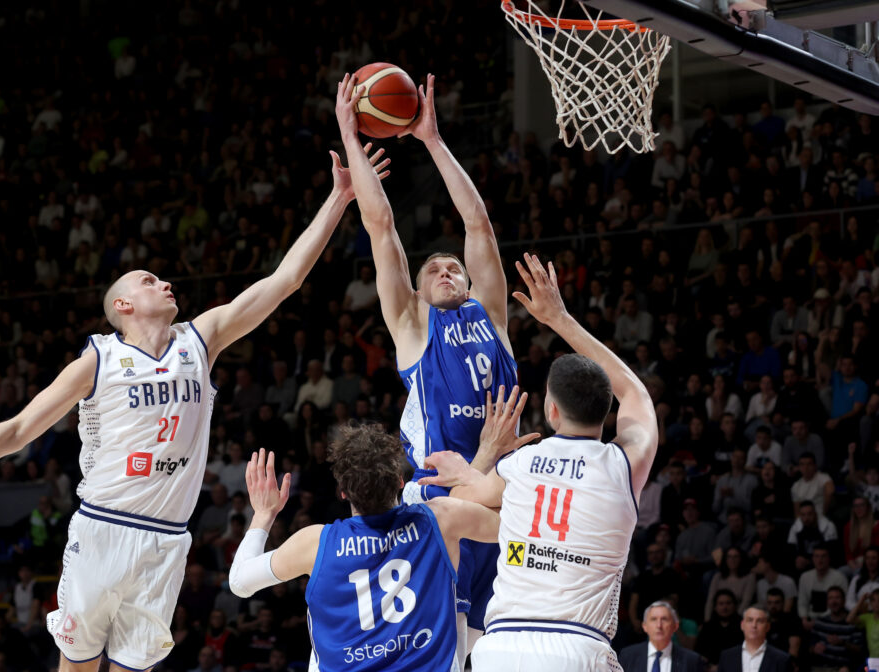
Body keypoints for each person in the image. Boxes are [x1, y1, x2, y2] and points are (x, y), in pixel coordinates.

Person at [0, 145, 388, 672]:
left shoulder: (201, 339)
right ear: (123, 306)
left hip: (167, 540)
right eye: (148, 280)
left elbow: (284, 283)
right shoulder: (100, 358)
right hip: (103, 527)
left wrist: (339, 197)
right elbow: (23, 426)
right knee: (76, 665)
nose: (165, 283)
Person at [335, 72, 518, 661]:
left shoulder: (492, 315)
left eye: (453, 268)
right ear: (415, 291)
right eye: (433, 269)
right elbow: (381, 227)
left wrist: (432, 140)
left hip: (503, 496)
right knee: (447, 648)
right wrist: (348, 127)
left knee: (501, 649)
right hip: (440, 502)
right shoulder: (414, 328)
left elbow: (478, 224)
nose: (446, 270)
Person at [422, 254, 657, 671]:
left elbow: (455, 501)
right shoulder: (622, 465)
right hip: (577, 646)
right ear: (607, 412)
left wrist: (475, 466)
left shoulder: (519, 465)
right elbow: (636, 394)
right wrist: (560, 319)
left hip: (501, 646)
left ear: (550, 411)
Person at [228, 414, 521, 672]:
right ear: (399, 481)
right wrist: (477, 466)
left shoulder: (315, 543)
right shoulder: (440, 519)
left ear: (342, 492)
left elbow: (240, 582)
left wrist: (263, 516)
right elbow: (518, 525)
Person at [619, 601, 704, 672]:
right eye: (653, 619)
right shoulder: (627, 656)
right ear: (644, 626)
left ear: (675, 626)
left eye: (664, 619)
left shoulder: (691, 660)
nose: (659, 625)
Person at [717, 605, 793, 672]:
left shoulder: (782, 659)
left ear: (768, 627)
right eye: (750, 620)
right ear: (742, 625)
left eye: (760, 621)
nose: (754, 625)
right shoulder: (727, 657)